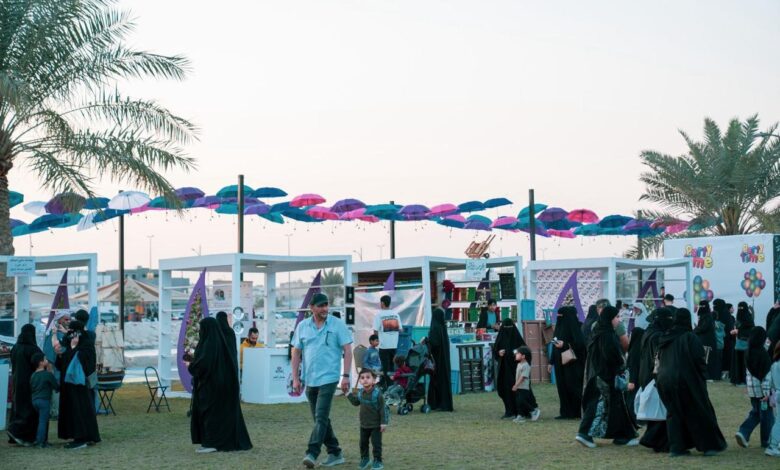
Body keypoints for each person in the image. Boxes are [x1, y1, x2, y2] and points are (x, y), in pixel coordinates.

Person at [292, 292, 353, 468]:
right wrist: (295, 378)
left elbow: (348, 350)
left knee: (320, 417)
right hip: (309, 379)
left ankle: (311, 453)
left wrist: (346, 376)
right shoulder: (302, 326)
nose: (325, 308)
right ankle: (335, 452)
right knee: (321, 419)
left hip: (329, 378)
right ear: (311, 308)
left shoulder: (337, 324)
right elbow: (296, 352)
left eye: (326, 305)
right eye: (321, 305)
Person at [656, 308, 727, 457]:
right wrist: (702, 376)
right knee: (698, 410)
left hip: (664, 379)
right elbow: (699, 360)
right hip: (685, 380)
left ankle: (676, 448)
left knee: (674, 413)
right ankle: (709, 446)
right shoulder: (690, 337)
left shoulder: (665, 337)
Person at [576, 306, 637, 449]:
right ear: (610, 318)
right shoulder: (607, 336)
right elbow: (611, 356)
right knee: (599, 406)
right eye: (616, 317)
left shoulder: (598, 333)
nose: (618, 320)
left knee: (612, 406)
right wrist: (621, 366)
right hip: (606, 377)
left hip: (599, 375)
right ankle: (585, 433)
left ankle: (621, 436)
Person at [188, 316, 252, 453]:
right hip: (222, 386)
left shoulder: (208, 345)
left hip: (211, 387)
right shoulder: (220, 343)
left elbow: (203, 365)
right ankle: (218, 442)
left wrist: (191, 366)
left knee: (210, 415)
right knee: (220, 415)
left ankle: (212, 443)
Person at [54, 320, 101, 449]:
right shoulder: (72, 342)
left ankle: (81, 438)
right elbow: (62, 364)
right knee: (78, 410)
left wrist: (73, 348)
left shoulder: (86, 346)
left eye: (72, 331)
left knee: (79, 410)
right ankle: (85, 436)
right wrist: (60, 355)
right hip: (70, 385)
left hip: (79, 386)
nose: (70, 334)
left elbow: (79, 362)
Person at [638, 308, 674, 453]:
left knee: (657, 411)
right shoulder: (657, 335)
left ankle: (657, 441)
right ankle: (654, 441)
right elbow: (658, 357)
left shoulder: (649, 332)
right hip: (654, 376)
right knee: (661, 411)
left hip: (646, 374)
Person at [735, 327, 774, 449]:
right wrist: (767, 393)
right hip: (763, 393)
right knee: (767, 416)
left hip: (753, 391)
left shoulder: (748, 352)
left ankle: (743, 432)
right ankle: (766, 440)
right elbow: (766, 376)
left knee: (756, 413)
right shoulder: (763, 355)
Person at [346, 368, 389, 470]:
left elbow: (382, 409)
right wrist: (348, 394)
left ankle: (378, 461)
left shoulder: (378, 394)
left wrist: (383, 423)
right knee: (363, 443)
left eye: (368, 377)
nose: (365, 379)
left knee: (376, 444)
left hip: (376, 425)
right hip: (364, 425)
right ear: (360, 381)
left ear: (374, 380)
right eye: (362, 378)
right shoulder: (360, 393)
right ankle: (365, 459)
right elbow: (356, 402)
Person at [8, 324, 44, 445]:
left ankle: (13, 430)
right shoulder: (33, 349)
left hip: (16, 381)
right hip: (30, 383)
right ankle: (23, 434)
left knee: (17, 406)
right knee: (28, 409)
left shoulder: (15, 347)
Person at [551, 306, 586, 419]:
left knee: (573, 387)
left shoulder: (577, 327)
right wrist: (551, 362)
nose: (559, 318)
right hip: (559, 363)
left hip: (573, 364)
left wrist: (565, 344)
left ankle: (576, 412)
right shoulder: (559, 327)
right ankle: (565, 412)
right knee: (562, 387)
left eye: (561, 316)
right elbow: (554, 344)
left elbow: (580, 345)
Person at [493, 317, 526, 419]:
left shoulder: (517, 339)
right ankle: (509, 411)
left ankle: (520, 411)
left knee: (517, 390)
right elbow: (495, 351)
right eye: (505, 327)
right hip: (504, 369)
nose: (508, 330)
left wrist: (515, 353)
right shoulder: (501, 337)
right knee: (505, 390)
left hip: (516, 369)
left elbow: (525, 351)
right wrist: (499, 353)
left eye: (509, 327)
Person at [426, 307, 453, 412]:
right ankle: (445, 403)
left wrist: (427, 341)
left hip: (436, 360)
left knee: (436, 380)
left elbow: (434, 344)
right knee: (444, 381)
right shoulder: (443, 328)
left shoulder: (435, 328)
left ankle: (435, 403)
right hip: (444, 360)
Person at [29, 352, 59, 448]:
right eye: (45, 359)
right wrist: (51, 372)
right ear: (41, 363)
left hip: (34, 400)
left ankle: (43, 440)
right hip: (44, 400)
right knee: (43, 421)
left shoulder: (33, 375)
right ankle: (40, 442)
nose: (47, 361)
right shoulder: (47, 375)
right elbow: (56, 386)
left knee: (42, 420)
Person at [373, 295, 402, 388]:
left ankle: (388, 387)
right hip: (394, 345)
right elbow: (401, 330)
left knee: (385, 368)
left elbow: (375, 331)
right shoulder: (396, 314)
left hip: (384, 346)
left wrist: (377, 341)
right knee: (392, 367)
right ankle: (390, 385)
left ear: (382, 303)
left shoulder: (379, 315)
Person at [511, 346, 540, 423]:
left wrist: (516, 385)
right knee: (518, 402)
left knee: (522, 401)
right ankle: (520, 416)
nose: (516, 355)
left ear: (523, 356)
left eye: (518, 353)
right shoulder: (519, 364)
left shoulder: (526, 365)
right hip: (519, 387)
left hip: (523, 387)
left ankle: (533, 411)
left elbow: (523, 377)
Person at [693, 300, 720, 381]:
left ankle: (708, 376)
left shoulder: (706, 316)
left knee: (707, 359)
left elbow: (703, 328)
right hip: (708, 341)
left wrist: (693, 331)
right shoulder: (707, 316)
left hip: (707, 342)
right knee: (707, 358)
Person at [731, 302, 754, 386]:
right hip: (739, 343)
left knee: (744, 363)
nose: (740, 310)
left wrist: (738, 331)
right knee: (739, 362)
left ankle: (744, 380)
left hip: (745, 343)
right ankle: (739, 379)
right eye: (739, 308)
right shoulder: (740, 317)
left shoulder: (748, 318)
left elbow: (750, 330)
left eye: (741, 308)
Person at [626, 327, 645, 423]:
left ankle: (632, 418)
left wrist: (632, 381)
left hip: (633, 379)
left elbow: (633, 366)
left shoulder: (633, 350)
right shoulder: (642, 349)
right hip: (640, 378)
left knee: (632, 398)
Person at [713, 299, 734, 380]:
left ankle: (725, 373)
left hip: (725, 339)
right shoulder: (724, 314)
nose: (714, 307)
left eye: (715, 305)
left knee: (725, 356)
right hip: (724, 339)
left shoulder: (724, 315)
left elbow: (726, 328)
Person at [767, 342, 780, 457]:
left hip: (776, 393)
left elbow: (770, 383)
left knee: (778, 420)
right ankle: (773, 446)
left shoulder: (774, 364)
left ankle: (773, 444)